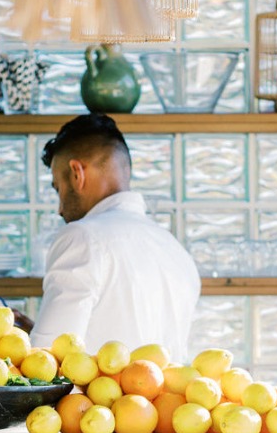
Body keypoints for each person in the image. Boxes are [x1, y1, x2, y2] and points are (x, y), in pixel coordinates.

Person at [29, 113, 201, 360]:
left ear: (77, 173)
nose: (60, 209)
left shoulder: (82, 237)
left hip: (95, 401)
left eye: (59, 189)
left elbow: (46, 361)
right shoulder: (175, 250)